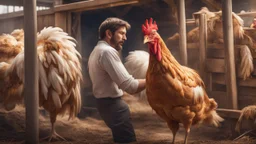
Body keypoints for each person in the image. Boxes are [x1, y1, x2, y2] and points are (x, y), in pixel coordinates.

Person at [88, 17, 146, 143]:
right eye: (121, 33)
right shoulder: (107, 52)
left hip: (104, 104)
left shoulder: (96, 50)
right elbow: (130, 86)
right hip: (114, 107)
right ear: (109, 34)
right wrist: (154, 79)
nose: (125, 38)